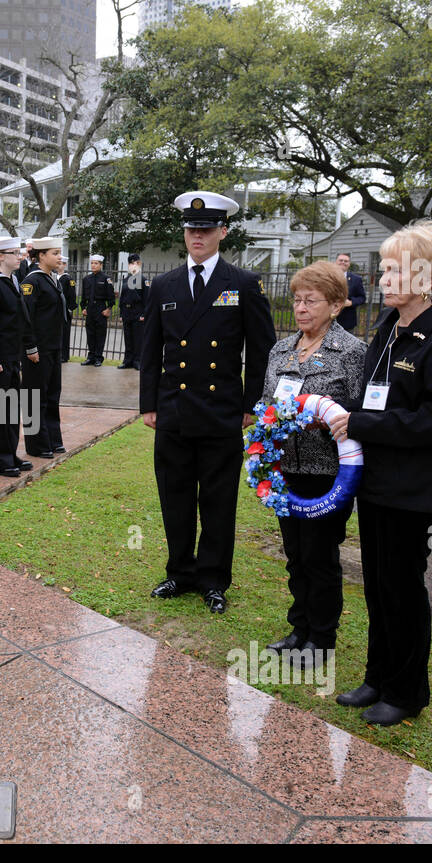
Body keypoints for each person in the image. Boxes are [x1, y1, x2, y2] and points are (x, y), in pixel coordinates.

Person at [327, 218, 432, 726]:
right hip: (376, 480)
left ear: (426, 275)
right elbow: (377, 395)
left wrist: (366, 423)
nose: (384, 278)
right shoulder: (391, 327)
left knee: (403, 587)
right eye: (385, 268)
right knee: (376, 583)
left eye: (395, 269)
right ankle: (378, 676)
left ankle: (407, 691)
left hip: (411, 487)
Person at [140, 191, 276, 613]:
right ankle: (179, 572)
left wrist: (253, 404)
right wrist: (149, 403)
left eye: (206, 229)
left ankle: (214, 578)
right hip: (174, 411)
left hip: (221, 412)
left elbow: (261, 350)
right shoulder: (164, 284)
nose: (197, 236)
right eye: (191, 229)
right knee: (175, 494)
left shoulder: (242, 284)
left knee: (218, 500)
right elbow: (149, 351)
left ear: (223, 232)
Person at [261, 262, 366, 664]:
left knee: (320, 557)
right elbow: (268, 405)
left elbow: (358, 414)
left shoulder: (352, 353)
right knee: (295, 554)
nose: (301, 308)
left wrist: (327, 419)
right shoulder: (280, 349)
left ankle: (321, 639)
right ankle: (298, 627)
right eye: (297, 299)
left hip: (328, 474)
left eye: (311, 301)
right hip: (286, 470)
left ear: (337, 305)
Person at [0, 237, 39, 477]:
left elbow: (20, 321)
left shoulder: (12, 282)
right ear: (0, 256)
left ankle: (9, 453)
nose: (19, 256)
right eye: (14, 252)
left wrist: (28, 347)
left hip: (12, 357)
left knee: (11, 409)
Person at [22, 238, 67, 458]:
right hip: (38, 350)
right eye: (55, 253)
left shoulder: (52, 279)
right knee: (34, 397)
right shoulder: (33, 281)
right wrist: (30, 347)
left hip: (52, 347)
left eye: (60, 253)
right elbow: (26, 317)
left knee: (51, 395)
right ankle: (36, 444)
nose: (60, 257)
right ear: (41, 256)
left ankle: (52, 439)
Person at [80, 255, 116, 365]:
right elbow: (83, 296)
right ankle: (90, 357)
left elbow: (111, 296)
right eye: (92, 263)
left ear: (101, 265)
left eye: (96, 263)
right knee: (90, 333)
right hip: (90, 308)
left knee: (100, 334)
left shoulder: (106, 279)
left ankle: (98, 358)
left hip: (100, 308)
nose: (93, 265)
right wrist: (83, 308)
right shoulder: (86, 279)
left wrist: (109, 308)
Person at [118, 254, 145, 369]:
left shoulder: (143, 279)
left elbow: (147, 298)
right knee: (128, 338)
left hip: (137, 312)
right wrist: (120, 313)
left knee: (138, 338)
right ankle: (127, 361)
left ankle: (137, 361)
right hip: (126, 312)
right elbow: (122, 297)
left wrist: (144, 314)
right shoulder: (126, 279)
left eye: (135, 263)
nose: (133, 265)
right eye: (131, 263)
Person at [334, 252, 368, 333]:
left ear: (349, 264)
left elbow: (362, 298)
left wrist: (351, 302)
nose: (343, 262)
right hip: (327, 319)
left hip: (347, 322)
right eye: (341, 260)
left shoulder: (356, 279)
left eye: (346, 261)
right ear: (336, 262)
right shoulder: (327, 277)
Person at [57, 255, 77, 363]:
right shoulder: (53, 276)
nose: (58, 265)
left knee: (64, 334)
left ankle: (64, 356)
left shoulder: (68, 279)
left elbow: (72, 296)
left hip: (64, 311)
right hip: (55, 311)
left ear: (64, 265)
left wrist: (69, 309)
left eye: (60, 263)